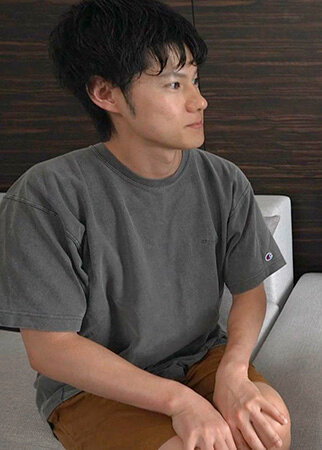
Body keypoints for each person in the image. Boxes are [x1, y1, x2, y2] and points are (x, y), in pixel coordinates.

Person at [0, 1, 291, 448]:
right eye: (174, 84)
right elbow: (50, 348)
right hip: (94, 386)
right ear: (106, 94)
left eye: (195, 80)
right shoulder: (45, 195)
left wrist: (233, 370)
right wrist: (180, 402)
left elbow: (250, 291)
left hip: (200, 358)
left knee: (269, 431)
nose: (199, 101)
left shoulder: (224, 180)